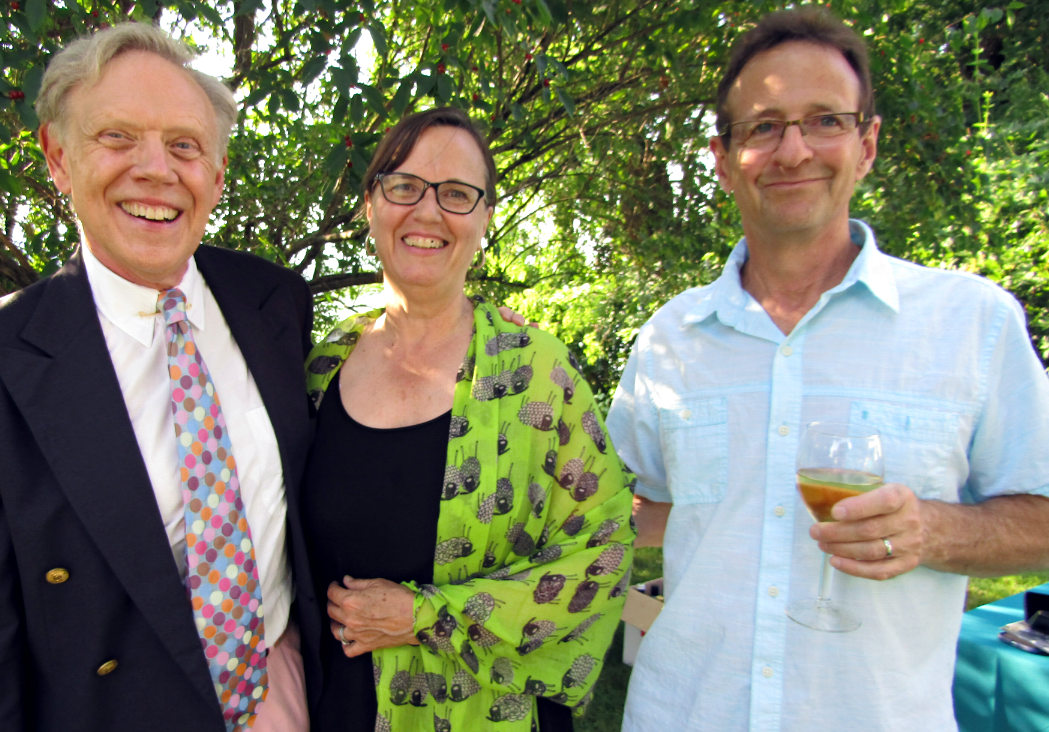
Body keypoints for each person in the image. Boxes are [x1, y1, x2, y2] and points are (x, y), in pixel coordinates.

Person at [607, 7, 1049, 732]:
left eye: (824, 121)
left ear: (866, 144)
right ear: (722, 158)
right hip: (686, 712)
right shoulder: (670, 338)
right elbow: (651, 509)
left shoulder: (972, 322)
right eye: (763, 126)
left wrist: (934, 531)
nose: (793, 151)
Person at [0, 23, 323, 731]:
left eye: (185, 145)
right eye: (117, 137)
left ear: (216, 176)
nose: (156, 169)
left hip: (288, 690)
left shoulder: (273, 301)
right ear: (58, 158)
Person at [298, 107, 635, 732]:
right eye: (404, 187)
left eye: (456, 194)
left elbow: (603, 557)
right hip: (337, 711)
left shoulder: (537, 374)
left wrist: (424, 616)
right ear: (371, 205)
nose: (427, 213)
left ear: (484, 217)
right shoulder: (321, 370)